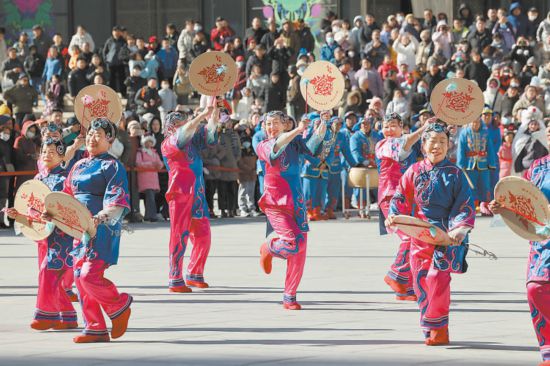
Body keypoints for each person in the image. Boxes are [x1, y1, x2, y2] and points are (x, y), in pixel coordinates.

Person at [388, 127, 475, 346]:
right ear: (424, 145)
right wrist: (393, 216)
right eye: (433, 141)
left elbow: (464, 206)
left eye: (442, 142)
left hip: (446, 235)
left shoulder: (455, 173)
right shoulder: (415, 170)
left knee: (438, 279)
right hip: (419, 233)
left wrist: (459, 229)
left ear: (448, 146)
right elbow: (400, 196)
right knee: (420, 282)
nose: (437, 146)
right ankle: (429, 326)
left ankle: (439, 329)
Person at [62, 118, 132, 343]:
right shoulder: (78, 165)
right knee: (78, 276)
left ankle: (119, 304)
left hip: (101, 226)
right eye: (91, 133)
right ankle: (94, 326)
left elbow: (117, 199)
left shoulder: (112, 166)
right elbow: (65, 196)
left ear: (109, 140)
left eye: (98, 134)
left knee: (89, 274)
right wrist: (54, 214)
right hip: (78, 228)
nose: (92, 138)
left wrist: (101, 217)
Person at [6, 138, 79, 330]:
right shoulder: (38, 179)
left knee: (49, 273)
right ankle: (68, 316)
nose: (46, 155)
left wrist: (54, 215)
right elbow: (32, 210)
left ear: (62, 156)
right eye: (44, 152)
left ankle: (46, 316)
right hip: (43, 237)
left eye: (52, 152)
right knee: (47, 275)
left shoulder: (65, 180)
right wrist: (18, 214)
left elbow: (71, 209)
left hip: (62, 237)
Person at [257, 111, 327, 310]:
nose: (272, 127)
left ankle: (290, 295)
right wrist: (298, 130)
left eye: (277, 123)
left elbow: (313, 146)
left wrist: (323, 123)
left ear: (285, 125)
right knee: (293, 243)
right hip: (275, 202)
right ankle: (269, 248)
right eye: (268, 124)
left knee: (301, 248)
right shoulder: (263, 145)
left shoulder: (295, 143)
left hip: (296, 202)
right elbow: (276, 148)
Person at [489, 153, 550, 365]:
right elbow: (527, 202)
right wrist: (503, 208)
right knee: (535, 288)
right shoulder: (537, 167)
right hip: (543, 240)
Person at [161, 106, 217, 292]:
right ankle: (175, 277)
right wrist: (201, 115)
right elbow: (184, 134)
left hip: (198, 193)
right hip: (180, 193)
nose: (185, 127)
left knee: (204, 235)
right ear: (170, 128)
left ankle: (194, 272)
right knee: (179, 235)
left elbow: (209, 138)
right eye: (179, 124)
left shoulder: (192, 143)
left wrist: (213, 119)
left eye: (184, 124)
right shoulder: (169, 142)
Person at [377, 112, 427, 301]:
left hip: (406, 196)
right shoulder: (383, 144)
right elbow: (405, 144)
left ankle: (404, 287)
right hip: (391, 195)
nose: (389, 130)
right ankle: (395, 275)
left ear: (401, 128)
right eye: (386, 126)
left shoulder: (407, 144)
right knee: (409, 237)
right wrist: (423, 129)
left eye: (393, 126)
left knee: (418, 238)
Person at [456, 117, 496, 212]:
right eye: (473, 122)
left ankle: (485, 207)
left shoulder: (485, 133)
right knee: (470, 186)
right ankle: (471, 207)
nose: (475, 124)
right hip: (470, 165)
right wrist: (461, 163)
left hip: (483, 164)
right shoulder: (464, 133)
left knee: (485, 186)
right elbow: (461, 149)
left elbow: (490, 148)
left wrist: (491, 163)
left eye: (477, 122)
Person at [302, 111, 335, 221]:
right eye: (317, 124)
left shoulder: (328, 138)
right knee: (309, 192)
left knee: (321, 192)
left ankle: (318, 211)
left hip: (323, 170)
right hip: (310, 170)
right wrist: (318, 163)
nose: (319, 126)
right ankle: (309, 212)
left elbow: (331, 153)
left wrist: (326, 163)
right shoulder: (307, 137)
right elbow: (305, 152)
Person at [136, 134, 164, 222]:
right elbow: (138, 163)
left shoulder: (154, 152)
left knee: (151, 197)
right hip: (144, 178)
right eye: (147, 141)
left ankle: (149, 215)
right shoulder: (140, 152)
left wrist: (156, 165)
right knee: (150, 197)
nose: (149, 143)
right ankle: (151, 216)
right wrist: (151, 164)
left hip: (153, 179)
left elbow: (160, 164)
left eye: (150, 141)